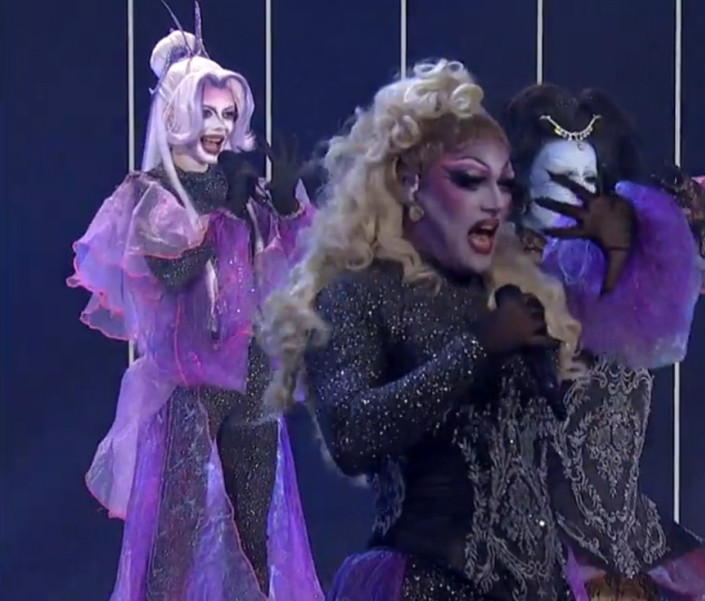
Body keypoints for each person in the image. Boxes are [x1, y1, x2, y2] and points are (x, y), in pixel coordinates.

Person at [262, 59, 590, 601]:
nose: (495, 201)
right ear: (408, 180)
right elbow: (351, 436)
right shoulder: (356, 292)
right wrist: (478, 348)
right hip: (424, 583)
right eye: (470, 179)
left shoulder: (505, 292)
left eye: (505, 184)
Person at [67, 10, 322, 600]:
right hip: (189, 394)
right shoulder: (150, 194)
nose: (219, 126)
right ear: (178, 112)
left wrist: (287, 206)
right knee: (177, 546)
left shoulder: (245, 191)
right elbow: (173, 270)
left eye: (228, 114)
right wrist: (222, 212)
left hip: (253, 385)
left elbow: (293, 274)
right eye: (208, 112)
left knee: (254, 540)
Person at [502, 83, 705, 601]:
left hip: (622, 553)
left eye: (589, 180)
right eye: (559, 179)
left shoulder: (630, 274)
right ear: (522, 186)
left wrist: (689, 217)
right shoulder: (491, 278)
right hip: (518, 553)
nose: (578, 195)